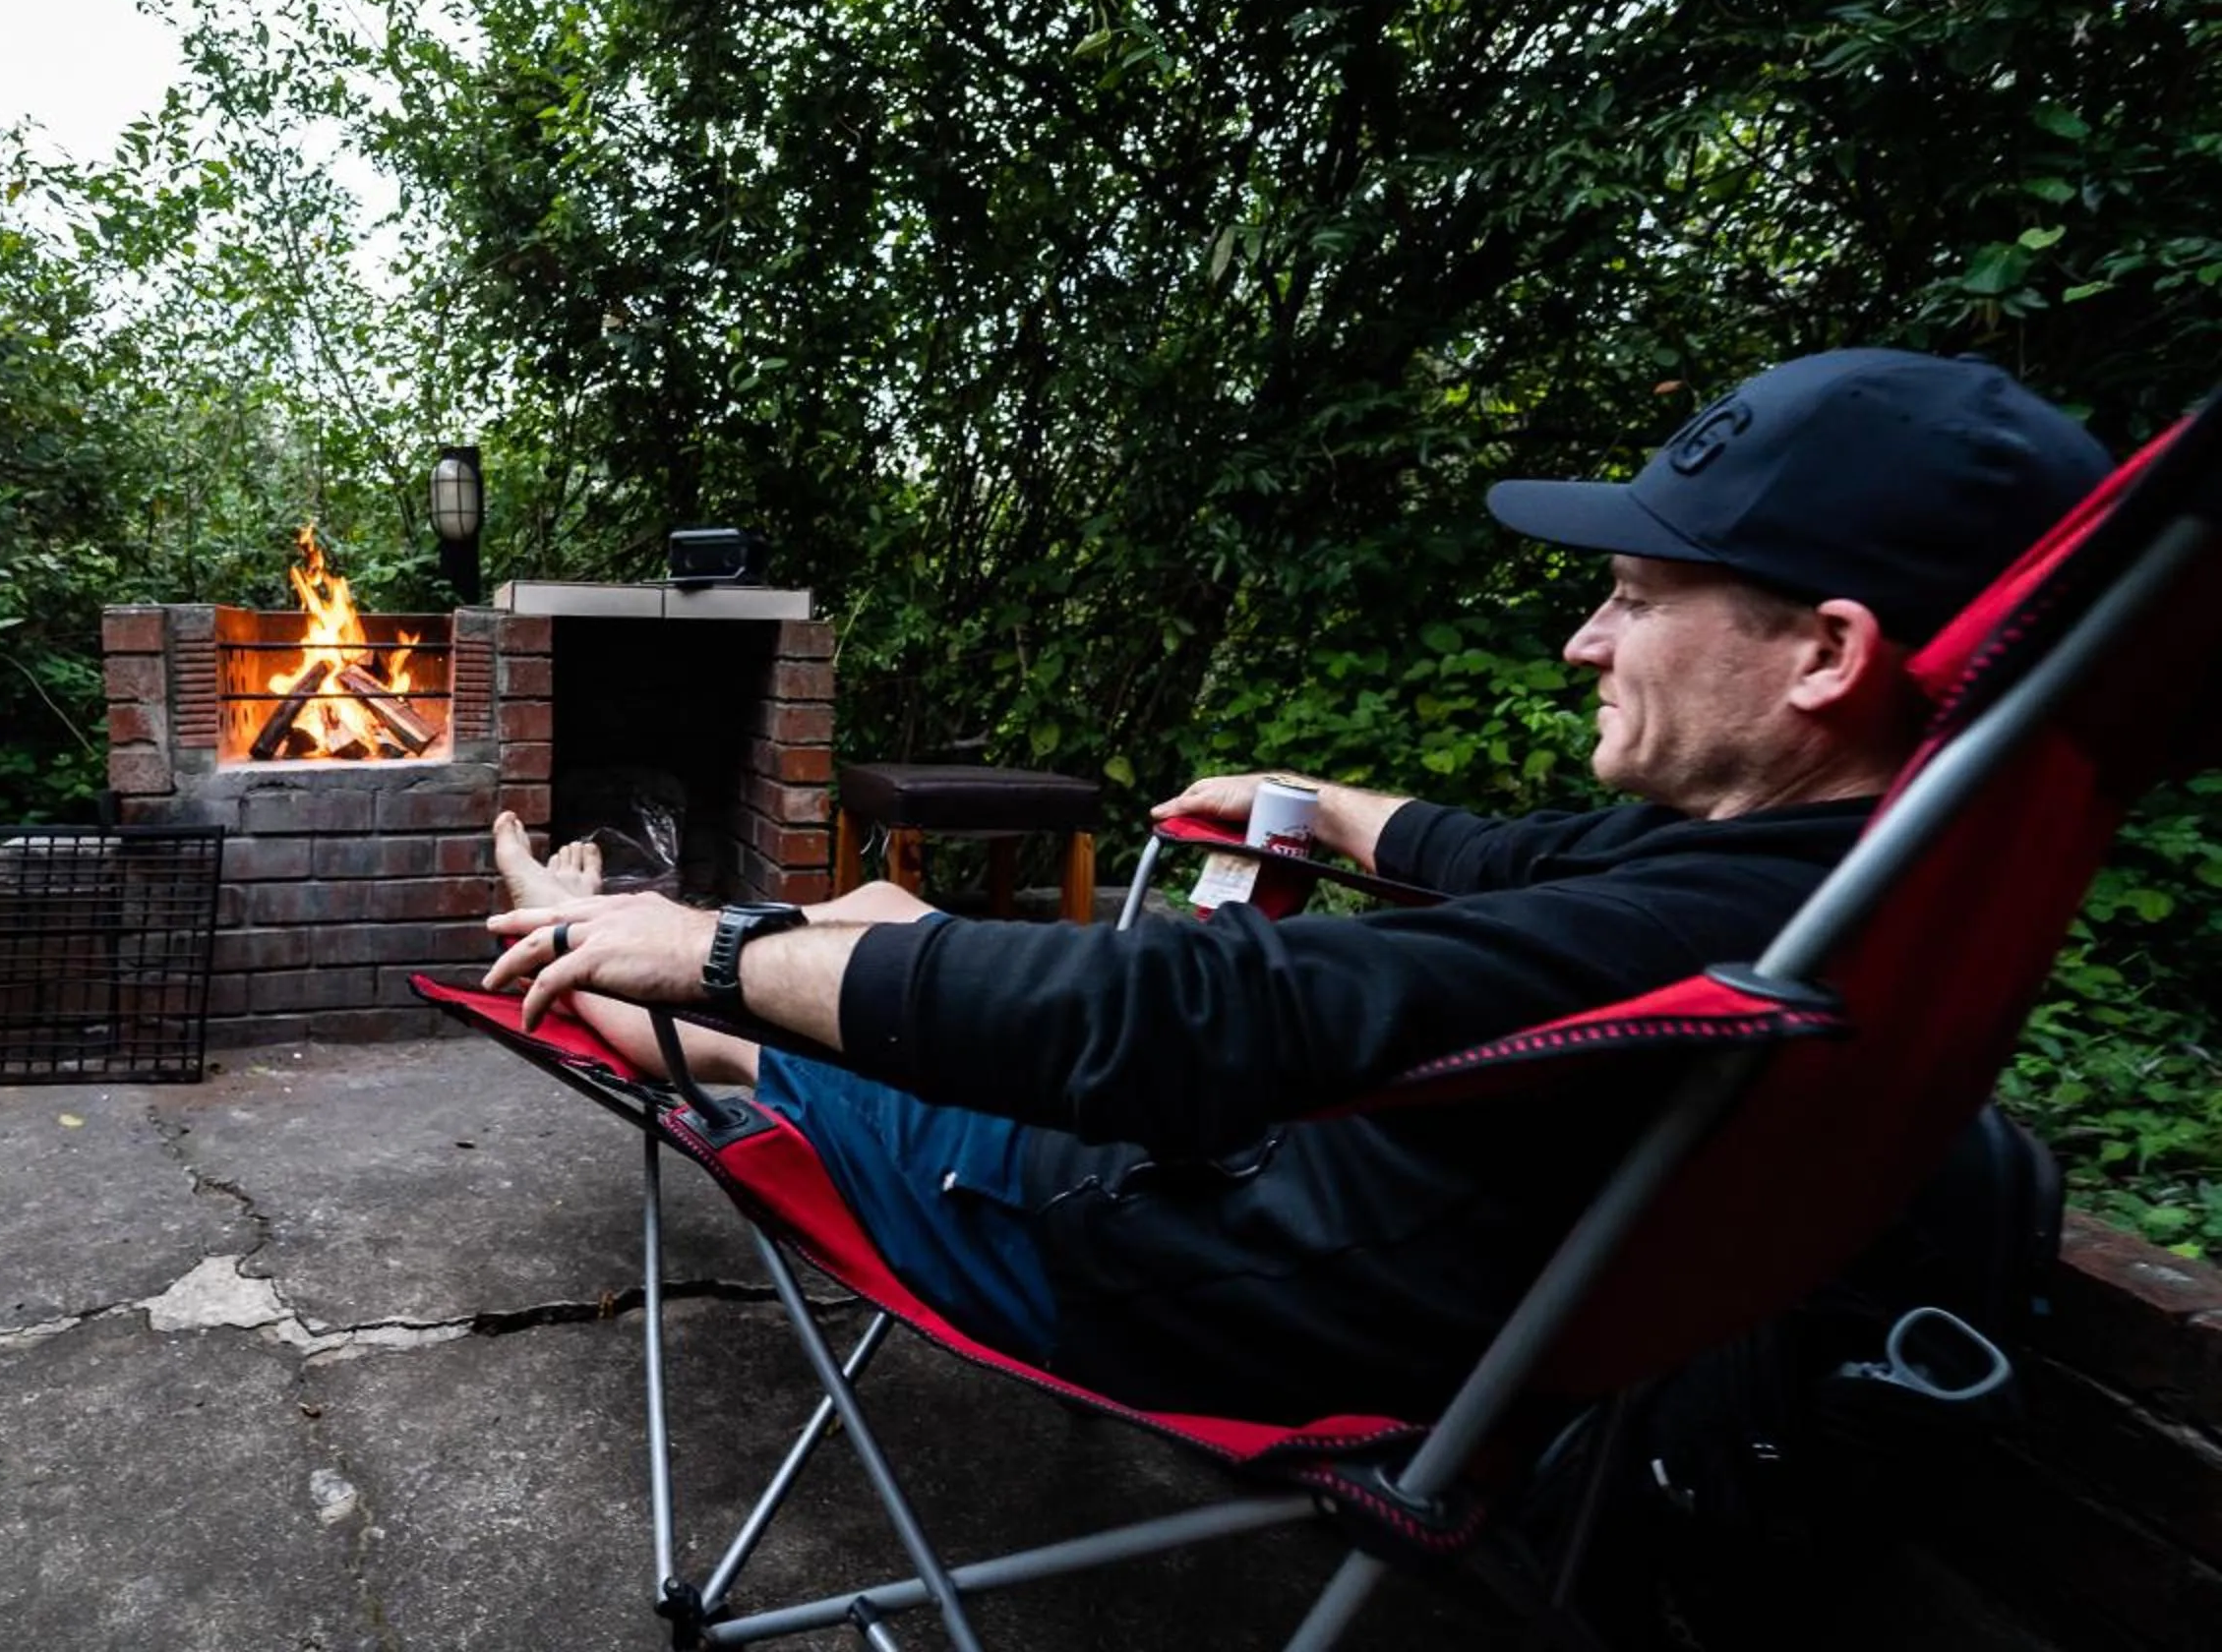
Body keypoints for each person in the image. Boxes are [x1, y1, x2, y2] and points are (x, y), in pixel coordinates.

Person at [483, 350, 2112, 1420]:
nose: (1583, 642)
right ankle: (609, 915)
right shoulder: (1831, 881)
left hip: (1155, 1245)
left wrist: (709, 947)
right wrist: (1323, 809)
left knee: (754, 1030)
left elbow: (1203, 1015)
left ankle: (578, 932)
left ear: (1827, 653)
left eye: (1630, 599)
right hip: (1300, 1204)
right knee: (899, 920)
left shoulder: (1708, 933)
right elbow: (1494, 857)